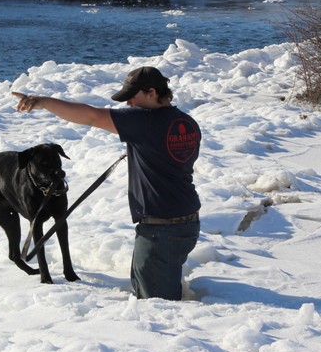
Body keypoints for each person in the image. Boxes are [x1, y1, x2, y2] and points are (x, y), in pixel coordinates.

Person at [12, 66, 201, 300]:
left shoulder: (143, 122)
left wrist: (42, 102)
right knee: (154, 289)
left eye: (132, 97)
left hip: (161, 230)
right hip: (187, 221)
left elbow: (90, 115)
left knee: (158, 307)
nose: (129, 104)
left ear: (152, 92)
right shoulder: (187, 123)